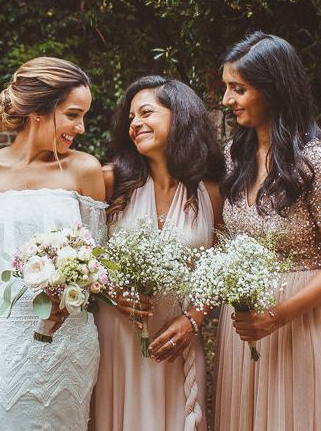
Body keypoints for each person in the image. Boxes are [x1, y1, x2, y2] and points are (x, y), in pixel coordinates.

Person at [213, 32, 321, 430]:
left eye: (238, 89)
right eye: (227, 88)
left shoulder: (316, 163)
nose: (226, 100)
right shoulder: (235, 156)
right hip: (246, 322)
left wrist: (276, 316)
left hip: (302, 320)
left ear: (274, 90)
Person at [0, 57, 106, 430]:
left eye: (83, 117)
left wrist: (76, 291)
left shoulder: (85, 170)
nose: (80, 128)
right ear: (39, 111)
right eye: (72, 115)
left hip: (69, 337)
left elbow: (98, 259)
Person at [93, 76, 224, 431]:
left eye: (146, 112)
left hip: (176, 338)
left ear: (180, 115)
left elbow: (219, 268)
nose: (135, 123)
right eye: (131, 118)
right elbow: (80, 255)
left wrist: (194, 319)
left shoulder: (210, 191)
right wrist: (109, 291)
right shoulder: (109, 182)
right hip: (117, 337)